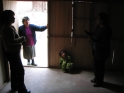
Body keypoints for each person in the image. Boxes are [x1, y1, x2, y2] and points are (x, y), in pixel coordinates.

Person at [1, 10, 30, 93]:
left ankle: (14, 86)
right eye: (12, 17)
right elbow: (12, 41)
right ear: (7, 18)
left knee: (14, 70)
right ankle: (22, 90)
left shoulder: (9, 27)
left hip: (11, 53)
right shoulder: (7, 28)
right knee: (20, 71)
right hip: (12, 53)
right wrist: (22, 38)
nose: (14, 18)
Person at [84, 12, 112, 87]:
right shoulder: (98, 27)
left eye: (98, 18)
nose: (96, 20)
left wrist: (92, 39)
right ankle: (96, 78)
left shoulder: (107, 30)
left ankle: (100, 82)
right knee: (96, 66)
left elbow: (104, 43)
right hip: (96, 50)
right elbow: (93, 34)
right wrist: (89, 33)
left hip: (102, 52)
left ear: (102, 20)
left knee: (100, 67)